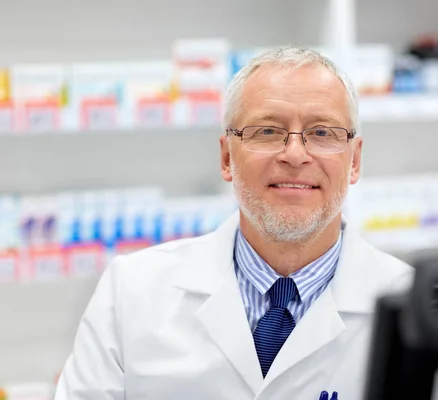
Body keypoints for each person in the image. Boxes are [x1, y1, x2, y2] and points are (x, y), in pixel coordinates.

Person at [55, 47, 413, 400]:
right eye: (268, 131)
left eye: (322, 133)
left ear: (354, 161)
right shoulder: (132, 291)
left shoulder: (417, 306)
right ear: (227, 158)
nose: (294, 154)